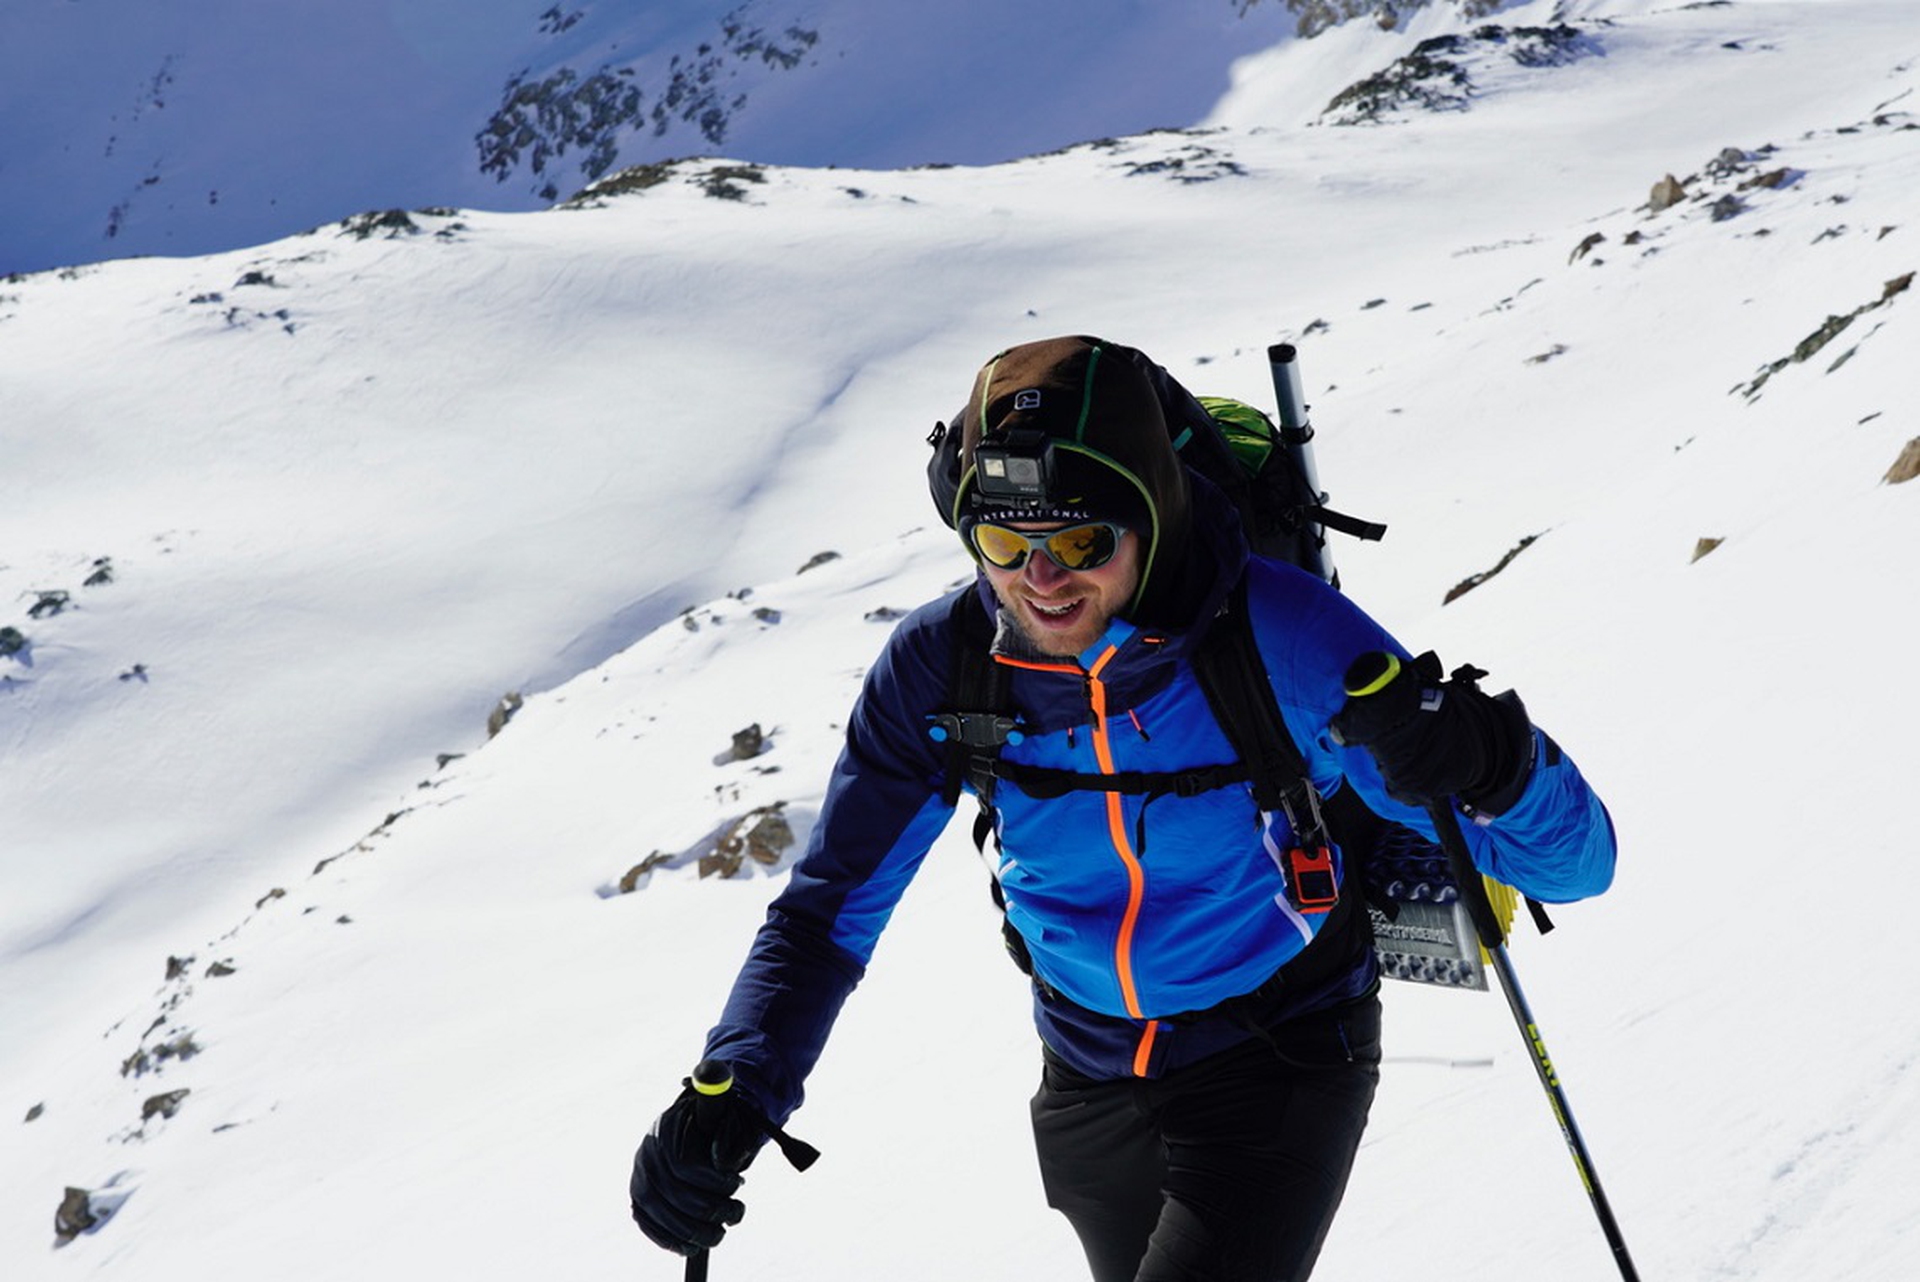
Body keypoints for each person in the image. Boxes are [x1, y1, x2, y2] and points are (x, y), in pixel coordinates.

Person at [630, 335, 1617, 1281]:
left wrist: (1497, 760)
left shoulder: (1283, 637)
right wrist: (738, 1081)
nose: (1041, 578)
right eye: (1004, 540)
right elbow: (829, 912)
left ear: (1154, 518)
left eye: (1081, 538)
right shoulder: (944, 668)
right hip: (1088, 1081)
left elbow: (1579, 866)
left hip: (1281, 1054)